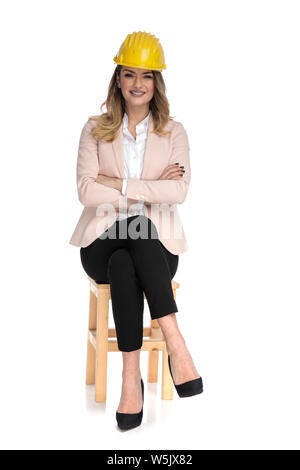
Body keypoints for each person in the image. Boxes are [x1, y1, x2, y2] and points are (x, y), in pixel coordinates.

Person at [69, 31, 203, 430]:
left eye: (147, 76)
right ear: (118, 79)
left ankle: (131, 380)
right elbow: (85, 190)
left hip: (156, 251)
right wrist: (147, 191)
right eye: (130, 75)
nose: (138, 84)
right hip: (99, 242)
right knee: (138, 224)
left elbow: (177, 190)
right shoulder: (94, 128)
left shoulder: (173, 132)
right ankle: (176, 345)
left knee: (132, 253)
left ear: (157, 82)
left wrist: (118, 184)